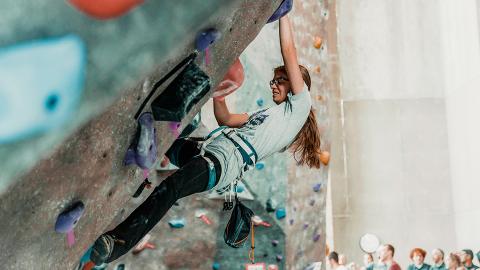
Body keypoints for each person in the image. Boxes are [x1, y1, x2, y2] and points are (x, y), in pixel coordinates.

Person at [88, 14, 322, 265]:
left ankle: (117, 243)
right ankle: (139, 173)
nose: (274, 85)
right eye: (274, 80)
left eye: (281, 81)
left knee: (172, 188)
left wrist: (285, 13)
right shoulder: (266, 114)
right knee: (165, 146)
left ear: (298, 87)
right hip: (207, 150)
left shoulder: (298, 108)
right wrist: (220, 91)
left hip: (222, 164)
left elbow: (289, 51)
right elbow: (226, 119)